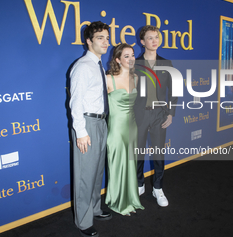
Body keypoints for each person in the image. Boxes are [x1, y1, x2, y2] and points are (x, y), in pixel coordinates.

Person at [69, 21, 112, 237]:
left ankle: (95, 209)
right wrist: (81, 132)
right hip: (87, 125)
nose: (106, 42)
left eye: (107, 37)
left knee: (96, 173)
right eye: (100, 38)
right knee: (85, 175)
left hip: (101, 123)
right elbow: (75, 102)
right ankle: (83, 222)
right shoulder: (83, 66)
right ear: (89, 41)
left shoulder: (98, 65)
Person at [134, 25, 178, 207]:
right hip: (139, 115)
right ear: (142, 42)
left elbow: (174, 89)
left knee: (159, 153)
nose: (155, 41)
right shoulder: (133, 64)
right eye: (150, 38)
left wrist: (171, 113)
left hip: (160, 114)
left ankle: (158, 188)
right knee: (138, 153)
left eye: (157, 37)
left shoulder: (167, 63)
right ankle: (139, 184)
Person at [105, 43, 144, 216]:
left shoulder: (136, 78)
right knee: (117, 165)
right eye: (126, 56)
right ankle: (118, 202)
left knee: (130, 164)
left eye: (132, 55)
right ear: (117, 60)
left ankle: (131, 199)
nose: (130, 59)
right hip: (116, 129)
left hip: (132, 126)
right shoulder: (108, 79)